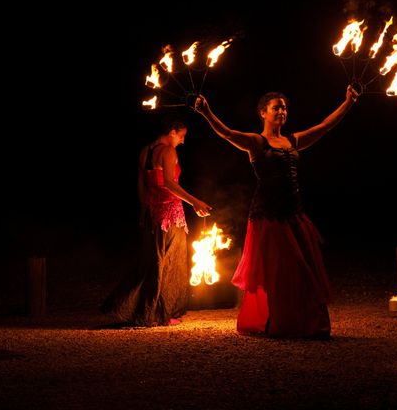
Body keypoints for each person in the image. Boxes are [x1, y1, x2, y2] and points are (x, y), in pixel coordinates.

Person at [194, 85, 358, 338]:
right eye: (276, 107)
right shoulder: (255, 142)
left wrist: (348, 102)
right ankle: (283, 323)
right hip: (268, 215)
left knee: (304, 268)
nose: (281, 111)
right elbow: (226, 133)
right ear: (263, 113)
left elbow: (324, 127)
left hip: (294, 211)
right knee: (282, 271)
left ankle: (306, 323)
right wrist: (206, 111)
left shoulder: (293, 140)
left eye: (284, 107)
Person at [101, 117, 212, 326]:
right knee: (169, 264)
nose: (182, 141)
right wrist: (195, 202)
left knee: (154, 262)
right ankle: (158, 313)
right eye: (182, 136)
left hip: (153, 213)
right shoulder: (168, 151)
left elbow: (141, 184)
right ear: (172, 131)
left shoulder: (146, 151)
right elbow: (169, 183)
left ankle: (146, 310)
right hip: (170, 214)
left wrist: (143, 210)